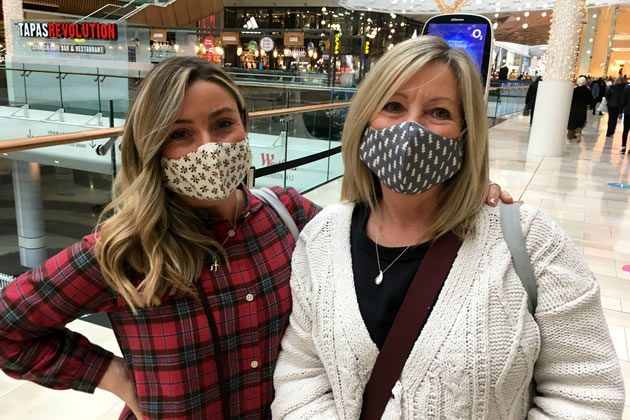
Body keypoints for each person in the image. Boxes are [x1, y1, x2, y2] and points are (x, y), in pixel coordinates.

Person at [0, 57, 510, 419]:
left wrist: (460, 194)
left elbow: (388, 236)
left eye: (223, 124)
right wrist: (110, 375)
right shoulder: (123, 251)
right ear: (153, 147)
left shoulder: (289, 217)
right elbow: (8, 327)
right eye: (180, 133)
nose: (208, 147)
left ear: (245, 129)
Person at [271, 36, 624, 419]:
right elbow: (302, 375)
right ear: (365, 120)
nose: (410, 129)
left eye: (439, 113)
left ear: (465, 134)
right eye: (393, 106)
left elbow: (587, 393)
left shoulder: (530, 241)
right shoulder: (322, 237)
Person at [566, 76, 593, 143]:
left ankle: (570, 136)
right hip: (582, 109)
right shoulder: (587, 91)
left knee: (572, 123)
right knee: (580, 123)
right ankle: (578, 133)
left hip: (574, 108)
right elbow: (590, 101)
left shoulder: (574, 90)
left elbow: (570, 99)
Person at [619, 79, 630, 154]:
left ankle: (623, 146)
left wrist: (620, 112)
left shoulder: (627, 89)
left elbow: (623, 101)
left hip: (628, 111)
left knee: (625, 130)